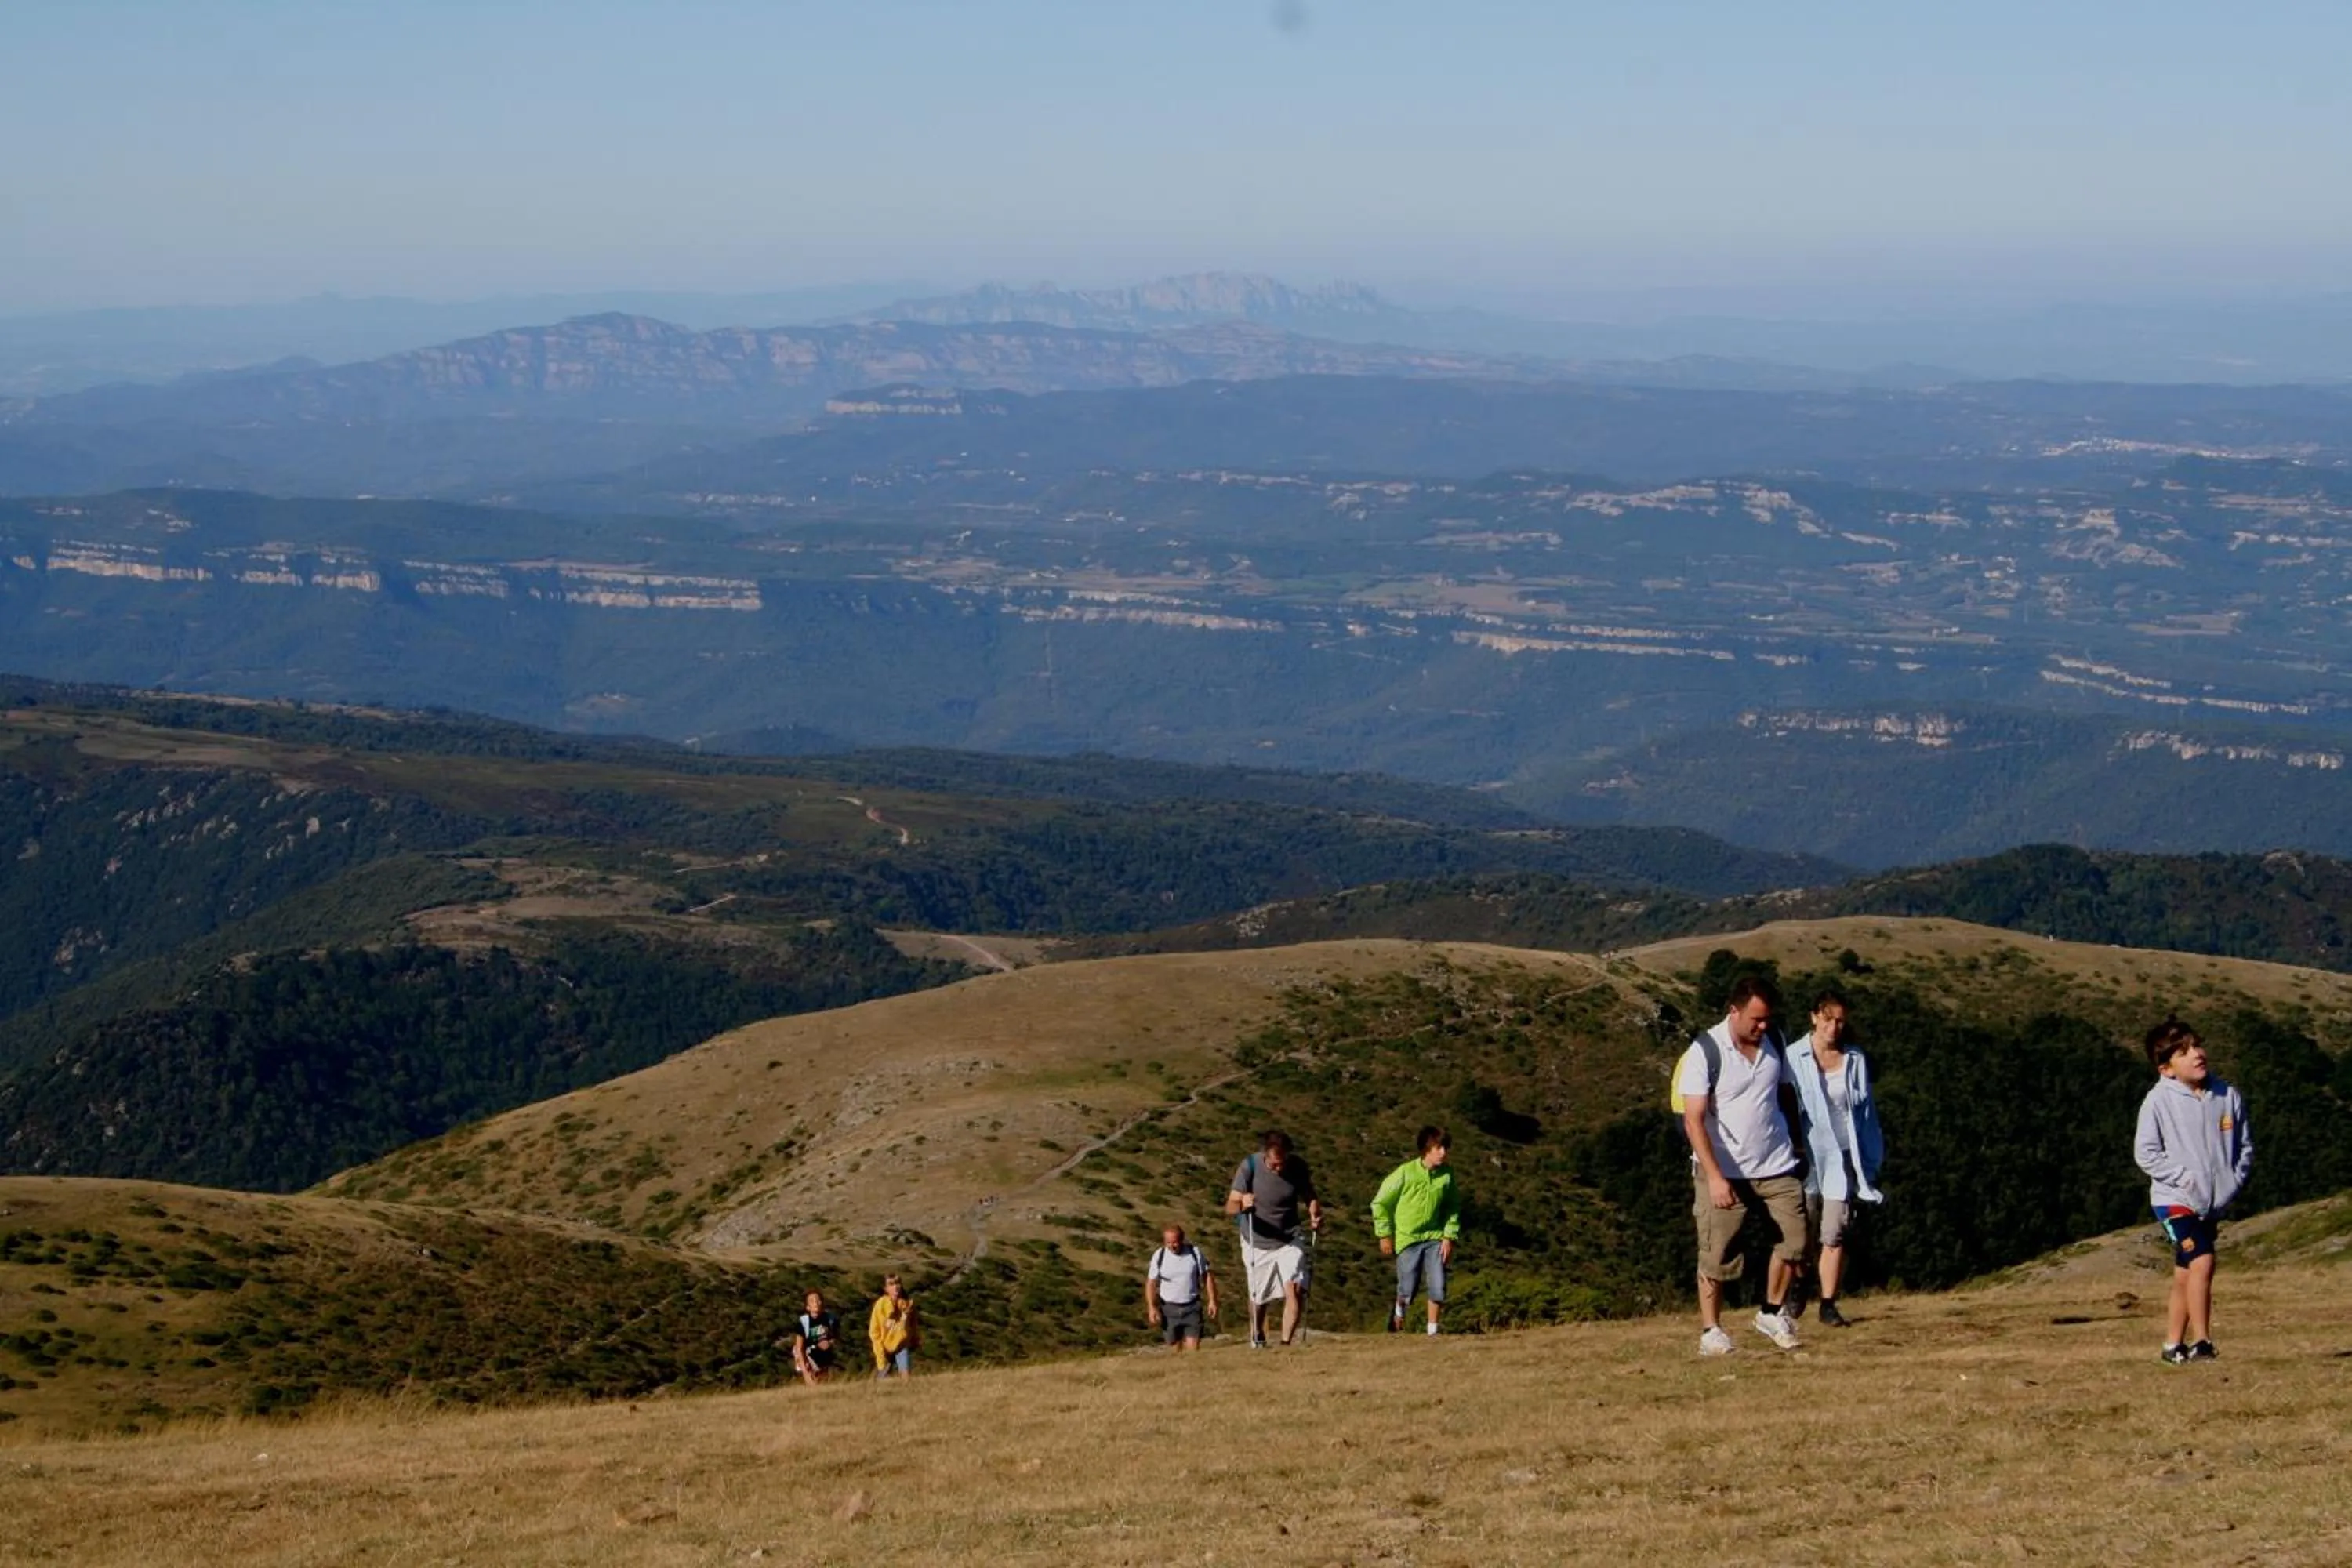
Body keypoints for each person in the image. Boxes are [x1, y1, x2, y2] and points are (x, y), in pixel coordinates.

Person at [1676, 975, 1811, 1356]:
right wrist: (1716, 1177)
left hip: (1776, 1163)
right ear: (1733, 1012)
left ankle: (1771, 1310)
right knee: (1716, 1253)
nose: (1763, 1026)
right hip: (1724, 1170)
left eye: (1767, 1019)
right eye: (1756, 1019)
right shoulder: (1705, 1052)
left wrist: (1799, 1151)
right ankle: (1711, 1331)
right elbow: (1693, 1119)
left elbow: (1785, 1095)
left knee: (1796, 1241)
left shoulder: (1776, 1043)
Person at [2134, 1018, 2253, 1365]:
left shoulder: (2226, 1095)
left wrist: (2235, 1180)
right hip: (2174, 1201)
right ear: (2166, 1069)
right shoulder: (2157, 1101)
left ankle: (2173, 1345)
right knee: (2203, 1261)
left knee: (2186, 1272)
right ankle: (2202, 1341)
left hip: (2212, 1203)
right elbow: (2146, 1153)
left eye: (2197, 1046)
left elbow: (2244, 1146)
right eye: (2183, 1052)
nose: (2197, 1055)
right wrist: (2183, 1178)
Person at [1786, 986, 1885, 1328]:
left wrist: (1870, 1163)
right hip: (1806, 1157)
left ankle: (1828, 1302)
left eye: (1840, 1021)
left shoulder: (1855, 1059)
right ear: (1814, 1017)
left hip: (1844, 1156)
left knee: (1834, 1231)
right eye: (1828, 1020)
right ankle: (1799, 1282)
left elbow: (1867, 1114)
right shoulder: (1792, 1057)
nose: (1834, 1028)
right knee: (1799, 1232)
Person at [1224, 1129, 1323, 1348]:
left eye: (1282, 1163)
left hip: (1290, 1237)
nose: (1278, 1169)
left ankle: (1286, 1344)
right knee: (1259, 1297)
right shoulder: (1249, 1166)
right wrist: (1243, 1203)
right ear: (1265, 1156)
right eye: (1273, 1165)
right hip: (1257, 1241)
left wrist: (1314, 1211)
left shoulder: (1297, 1166)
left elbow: (1309, 1194)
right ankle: (1258, 1333)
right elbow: (1230, 1207)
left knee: (1295, 1289)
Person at [1370, 1124, 1462, 1335]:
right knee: (1408, 1289)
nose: (1443, 1153)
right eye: (1438, 1148)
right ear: (1426, 1149)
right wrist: (1384, 1234)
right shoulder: (1405, 1173)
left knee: (1438, 1285)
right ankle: (1399, 1312)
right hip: (1408, 1239)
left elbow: (1453, 1206)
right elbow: (1380, 1202)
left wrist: (1449, 1236)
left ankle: (1433, 1331)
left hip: (1435, 1237)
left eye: (1445, 1148)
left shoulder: (1447, 1175)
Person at [1144, 1223, 1218, 1351]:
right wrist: (1151, 1307)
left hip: (1192, 1307)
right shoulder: (1159, 1255)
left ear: (1182, 1240)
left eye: (1175, 1242)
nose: (1172, 1246)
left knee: (1193, 1351)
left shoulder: (1194, 1253)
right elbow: (1151, 1283)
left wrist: (1212, 1300)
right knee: (1174, 1350)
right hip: (1169, 1309)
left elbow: (1207, 1277)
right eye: (1168, 1242)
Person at [868, 1274, 919, 1379]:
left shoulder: (908, 1304)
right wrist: (881, 1356)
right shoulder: (880, 1305)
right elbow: (874, 1331)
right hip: (884, 1346)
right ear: (886, 1289)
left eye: (897, 1283)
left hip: (901, 1344)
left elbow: (913, 1325)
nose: (895, 1287)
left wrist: (915, 1340)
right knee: (883, 1377)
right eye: (891, 1284)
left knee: (906, 1376)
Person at [791, 1289, 844, 1386]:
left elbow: (836, 1337)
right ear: (807, 1307)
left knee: (824, 1381)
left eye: (818, 1300)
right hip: (806, 1354)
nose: (816, 1303)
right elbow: (799, 1348)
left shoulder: (830, 1319)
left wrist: (830, 1343)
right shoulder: (803, 1323)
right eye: (812, 1301)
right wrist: (806, 1373)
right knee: (812, 1381)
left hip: (823, 1354)